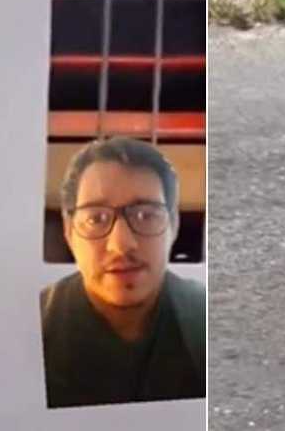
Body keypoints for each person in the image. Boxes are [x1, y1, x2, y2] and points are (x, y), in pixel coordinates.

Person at [40, 137, 205, 408]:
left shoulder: (207, 318)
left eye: (145, 215)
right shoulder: (28, 330)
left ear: (173, 226)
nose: (121, 244)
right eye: (96, 218)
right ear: (70, 233)